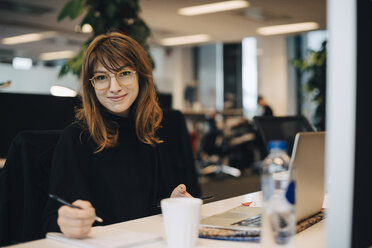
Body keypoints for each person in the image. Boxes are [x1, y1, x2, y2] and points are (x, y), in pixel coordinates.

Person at [42, 32, 192, 239]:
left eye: (124, 73)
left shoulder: (152, 132)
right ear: (91, 85)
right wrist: (67, 220)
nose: (115, 87)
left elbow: (148, 208)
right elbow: (52, 220)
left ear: (141, 75)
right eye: (102, 77)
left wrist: (170, 202)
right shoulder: (76, 138)